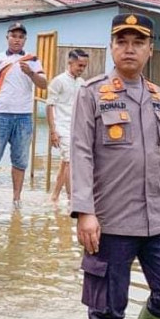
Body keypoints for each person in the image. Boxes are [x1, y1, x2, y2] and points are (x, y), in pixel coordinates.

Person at [71, 13, 160, 319]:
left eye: (138, 42)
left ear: (150, 50)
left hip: (156, 219)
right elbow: (80, 154)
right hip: (109, 220)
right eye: (122, 42)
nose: (130, 49)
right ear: (111, 47)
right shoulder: (92, 93)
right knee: (107, 307)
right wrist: (85, 212)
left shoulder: (159, 97)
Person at [0, 21, 46, 207]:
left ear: (25, 40)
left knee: (20, 160)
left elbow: (44, 84)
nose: (17, 40)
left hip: (23, 116)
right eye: (14, 36)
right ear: (7, 37)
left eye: (21, 37)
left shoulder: (33, 60)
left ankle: (16, 199)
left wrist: (31, 73)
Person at [48, 49, 89, 204]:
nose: (81, 69)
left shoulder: (82, 83)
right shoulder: (58, 81)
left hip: (76, 127)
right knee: (70, 162)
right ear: (70, 63)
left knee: (65, 163)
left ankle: (55, 197)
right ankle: (72, 198)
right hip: (61, 127)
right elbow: (49, 106)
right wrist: (53, 131)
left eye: (84, 66)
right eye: (79, 65)